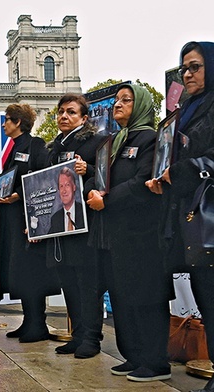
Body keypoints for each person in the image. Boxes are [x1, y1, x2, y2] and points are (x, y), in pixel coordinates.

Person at [86, 84, 174, 382]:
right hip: (114, 234)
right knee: (122, 295)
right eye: (117, 100)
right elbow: (101, 179)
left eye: (127, 100)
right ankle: (133, 355)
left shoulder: (150, 138)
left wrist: (106, 200)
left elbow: (141, 183)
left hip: (142, 234)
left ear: (141, 106)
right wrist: (92, 193)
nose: (118, 105)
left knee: (146, 295)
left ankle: (155, 361)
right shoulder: (113, 142)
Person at [146, 41, 214, 392]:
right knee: (205, 297)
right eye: (184, 67)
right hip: (186, 215)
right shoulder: (183, 109)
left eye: (196, 66)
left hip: (210, 214)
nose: (187, 74)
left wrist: (182, 171)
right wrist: (163, 177)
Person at [0, 103, 60, 343]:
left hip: (28, 218)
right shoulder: (14, 148)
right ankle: (28, 320)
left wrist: (18, 194)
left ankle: (38, 324)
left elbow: (44, 178)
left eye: (7, 119)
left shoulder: (36, 145)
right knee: (19, 271)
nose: (4, 124)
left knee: (32, 272)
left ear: (18, 122)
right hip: (12, 217)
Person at [45, 94, 106, 359]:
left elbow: (106, 175)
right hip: (61, 227)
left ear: (84, 118)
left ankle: (92, 337)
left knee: (87, 282)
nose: (64, 116)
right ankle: (77, 333)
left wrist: (89, 168)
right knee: (68, 281)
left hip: (86, 227)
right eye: (60, 112)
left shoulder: (97, 142)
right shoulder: (54, 147)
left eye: (71, 112)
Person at [48, 167, 85, 233]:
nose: (64, 191)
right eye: (61, 186)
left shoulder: (84, 211)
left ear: (74, 187)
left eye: (67, 185)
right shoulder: (55, 219)